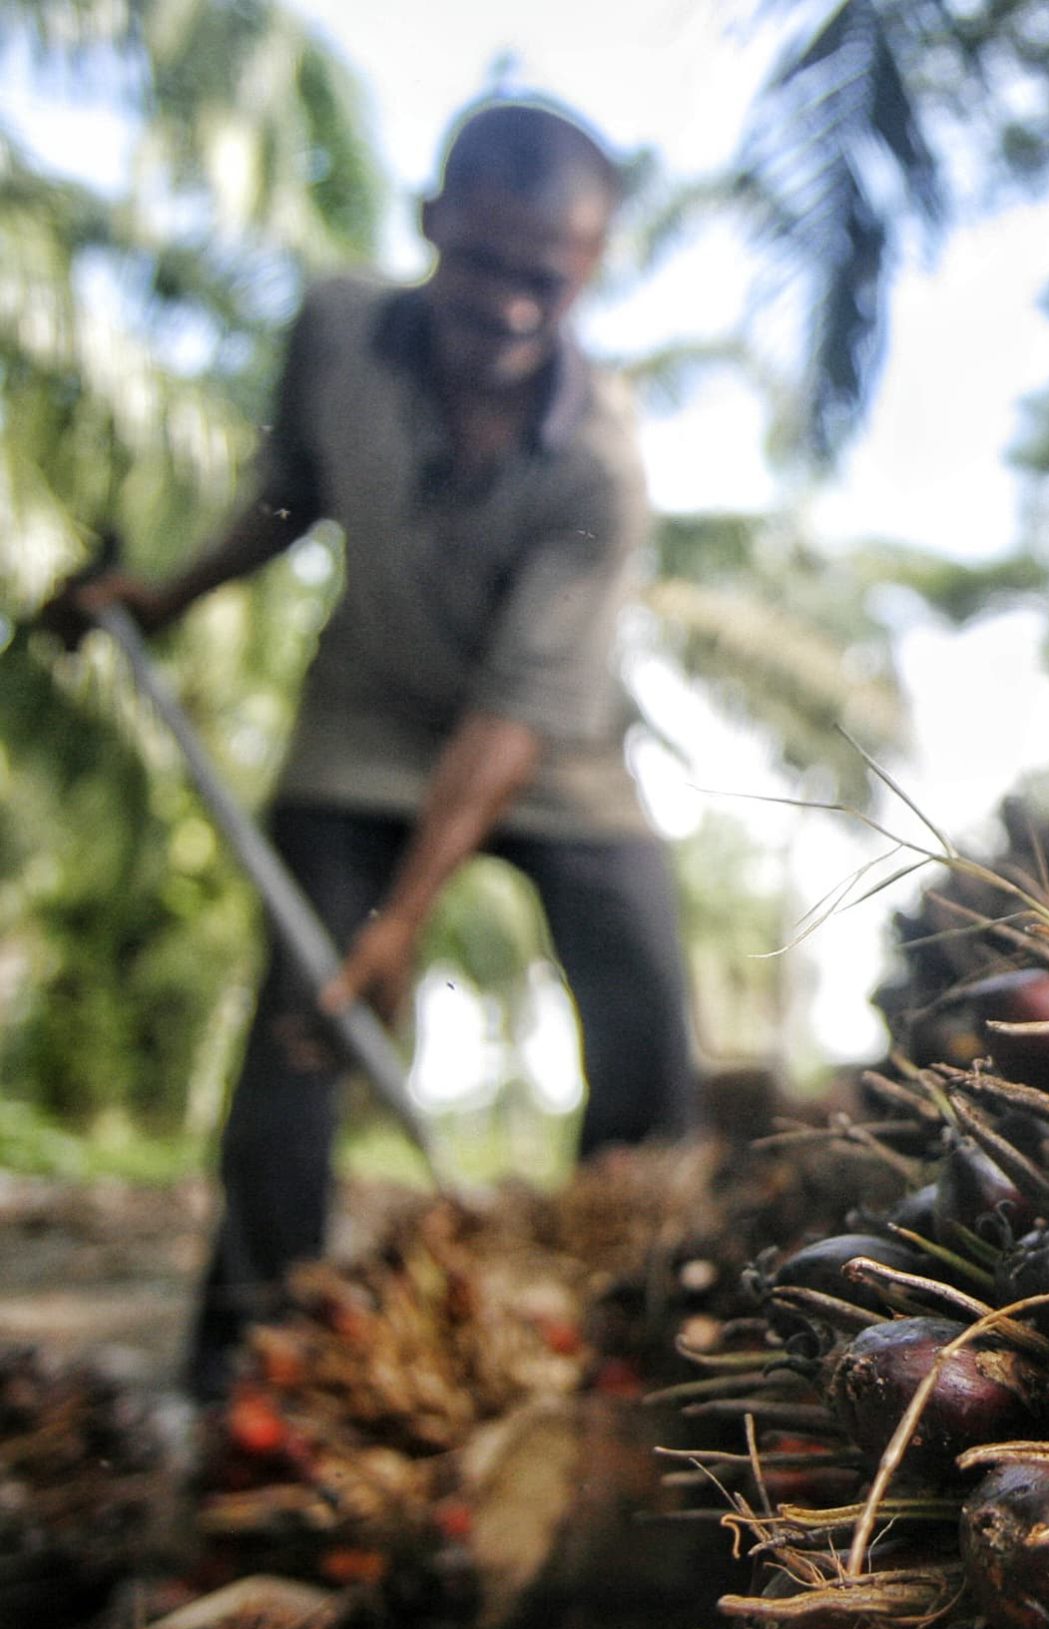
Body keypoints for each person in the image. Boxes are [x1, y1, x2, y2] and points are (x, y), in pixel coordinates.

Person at [38, 98, 694, 1400]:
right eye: (484, 264)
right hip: (367, 720)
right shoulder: (337, 331)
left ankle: (629, 1342)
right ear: (432, 222)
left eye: (543, 281)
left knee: (648, 1016)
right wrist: (163, 599)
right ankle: (249, 1369)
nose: (508, 306)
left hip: (548, 751)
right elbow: (293, 489)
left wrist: (406, 916)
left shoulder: (600, 470)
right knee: (303, 1026)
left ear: (589, 271)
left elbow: (514, 713)